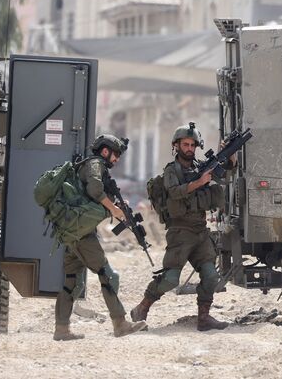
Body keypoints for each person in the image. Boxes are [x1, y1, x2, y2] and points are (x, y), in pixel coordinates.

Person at [130, 122, 234, 332]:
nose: (188, 148)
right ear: (176, 146)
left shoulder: (200, 167)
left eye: (192, 145)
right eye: (185, 144)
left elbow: (224, 172)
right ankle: (141, 308)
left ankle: (203, 318)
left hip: (200, 230)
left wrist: (229, 156)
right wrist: (199, 183)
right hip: (180, 232)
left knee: (211, 275)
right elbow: (175, 192)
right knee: (170, 279)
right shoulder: (171, 170)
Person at [53, 134, 148, 341]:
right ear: (105, 151)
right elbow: (95, 189)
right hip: (81, 233)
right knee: (107, 275)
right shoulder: (95, 164)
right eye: (116, 155)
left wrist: (115, 207)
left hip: (73, 231)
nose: (117, 160)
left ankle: (61, 329)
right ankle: (120, 323)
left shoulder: (90, 165)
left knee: (72, 281)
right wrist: (113, 209)